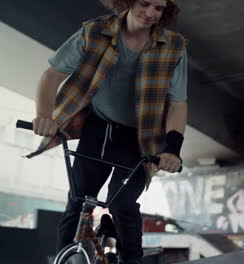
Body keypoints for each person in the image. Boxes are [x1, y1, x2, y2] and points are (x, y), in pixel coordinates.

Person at [29, 0, 187, 263]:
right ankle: (64, 259)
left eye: (158, 8)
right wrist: (44, 115)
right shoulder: (94, 32)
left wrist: (173, 150)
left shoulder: (174, 46)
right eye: (145, 4)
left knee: (123, 204)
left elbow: (178, 104)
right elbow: (51, 74)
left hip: (141, 140)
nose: (150, 14)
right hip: (99, 130)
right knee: (78, 201)